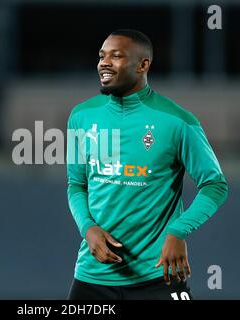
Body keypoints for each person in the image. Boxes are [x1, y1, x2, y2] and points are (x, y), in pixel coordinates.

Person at [66, 29, 228, 300]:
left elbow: (215, 185)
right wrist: (88, 228)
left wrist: (178, 230)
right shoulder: (82, 116)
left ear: (143, 65)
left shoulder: (177, 121)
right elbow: (76, 184)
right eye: (101, 56)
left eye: (116, 56)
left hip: (158, 277)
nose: (104, 62)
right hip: (92, 278)